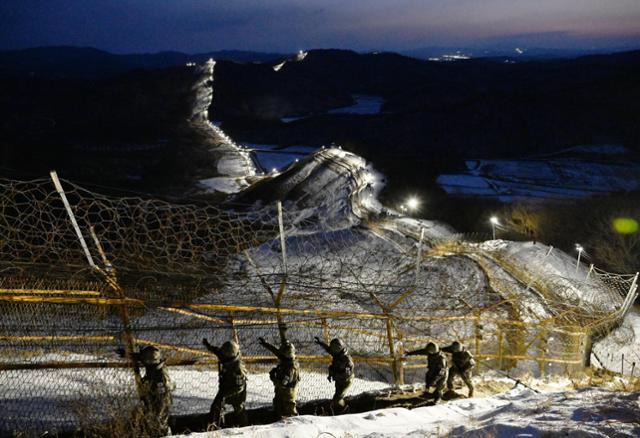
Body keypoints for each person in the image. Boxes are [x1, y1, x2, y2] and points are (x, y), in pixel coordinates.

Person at [118, 345, 173, 437]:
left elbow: (161, 402)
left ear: (149, 361)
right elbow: (141, 357)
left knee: (159, 421)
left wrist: (147, 400)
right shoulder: (155, 365)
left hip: (159, 404)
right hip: (153, 403)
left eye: (144, 360)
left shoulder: (159, 376)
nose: (142, 361)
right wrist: (127, 355)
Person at [202, 338, 248, 428]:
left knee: (239, 409)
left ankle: (245, 428)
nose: (222, 355)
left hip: (236, 392)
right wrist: (208, 345)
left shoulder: (238, 368)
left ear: (230, 355)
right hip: (225, 386)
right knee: (216, 405)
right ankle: (215, 425)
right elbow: (217, 351)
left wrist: (225, 395)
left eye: (224, 354)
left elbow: (240, 387)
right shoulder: (226, 356)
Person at [259, 336, 300, 418]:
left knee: (290, 413)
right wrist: (265, 344)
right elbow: (276, 352)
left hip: (288, 394)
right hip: (281, 393)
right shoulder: (287, 359)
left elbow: (282, 384)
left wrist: (272, 377)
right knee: (278, 408)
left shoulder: (291, 369)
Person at [314, 336, 354, 411]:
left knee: (338, 399)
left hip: (346, 381)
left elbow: (346, 375)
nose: (331, 351)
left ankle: (344, 411)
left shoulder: (347, 360)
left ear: (337, 349)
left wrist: (334, 375)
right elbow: (328, 349)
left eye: (333, 349)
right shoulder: (337, 353)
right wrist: (320, 342)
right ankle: (338, 409)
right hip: (339, 380)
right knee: (336, 396)